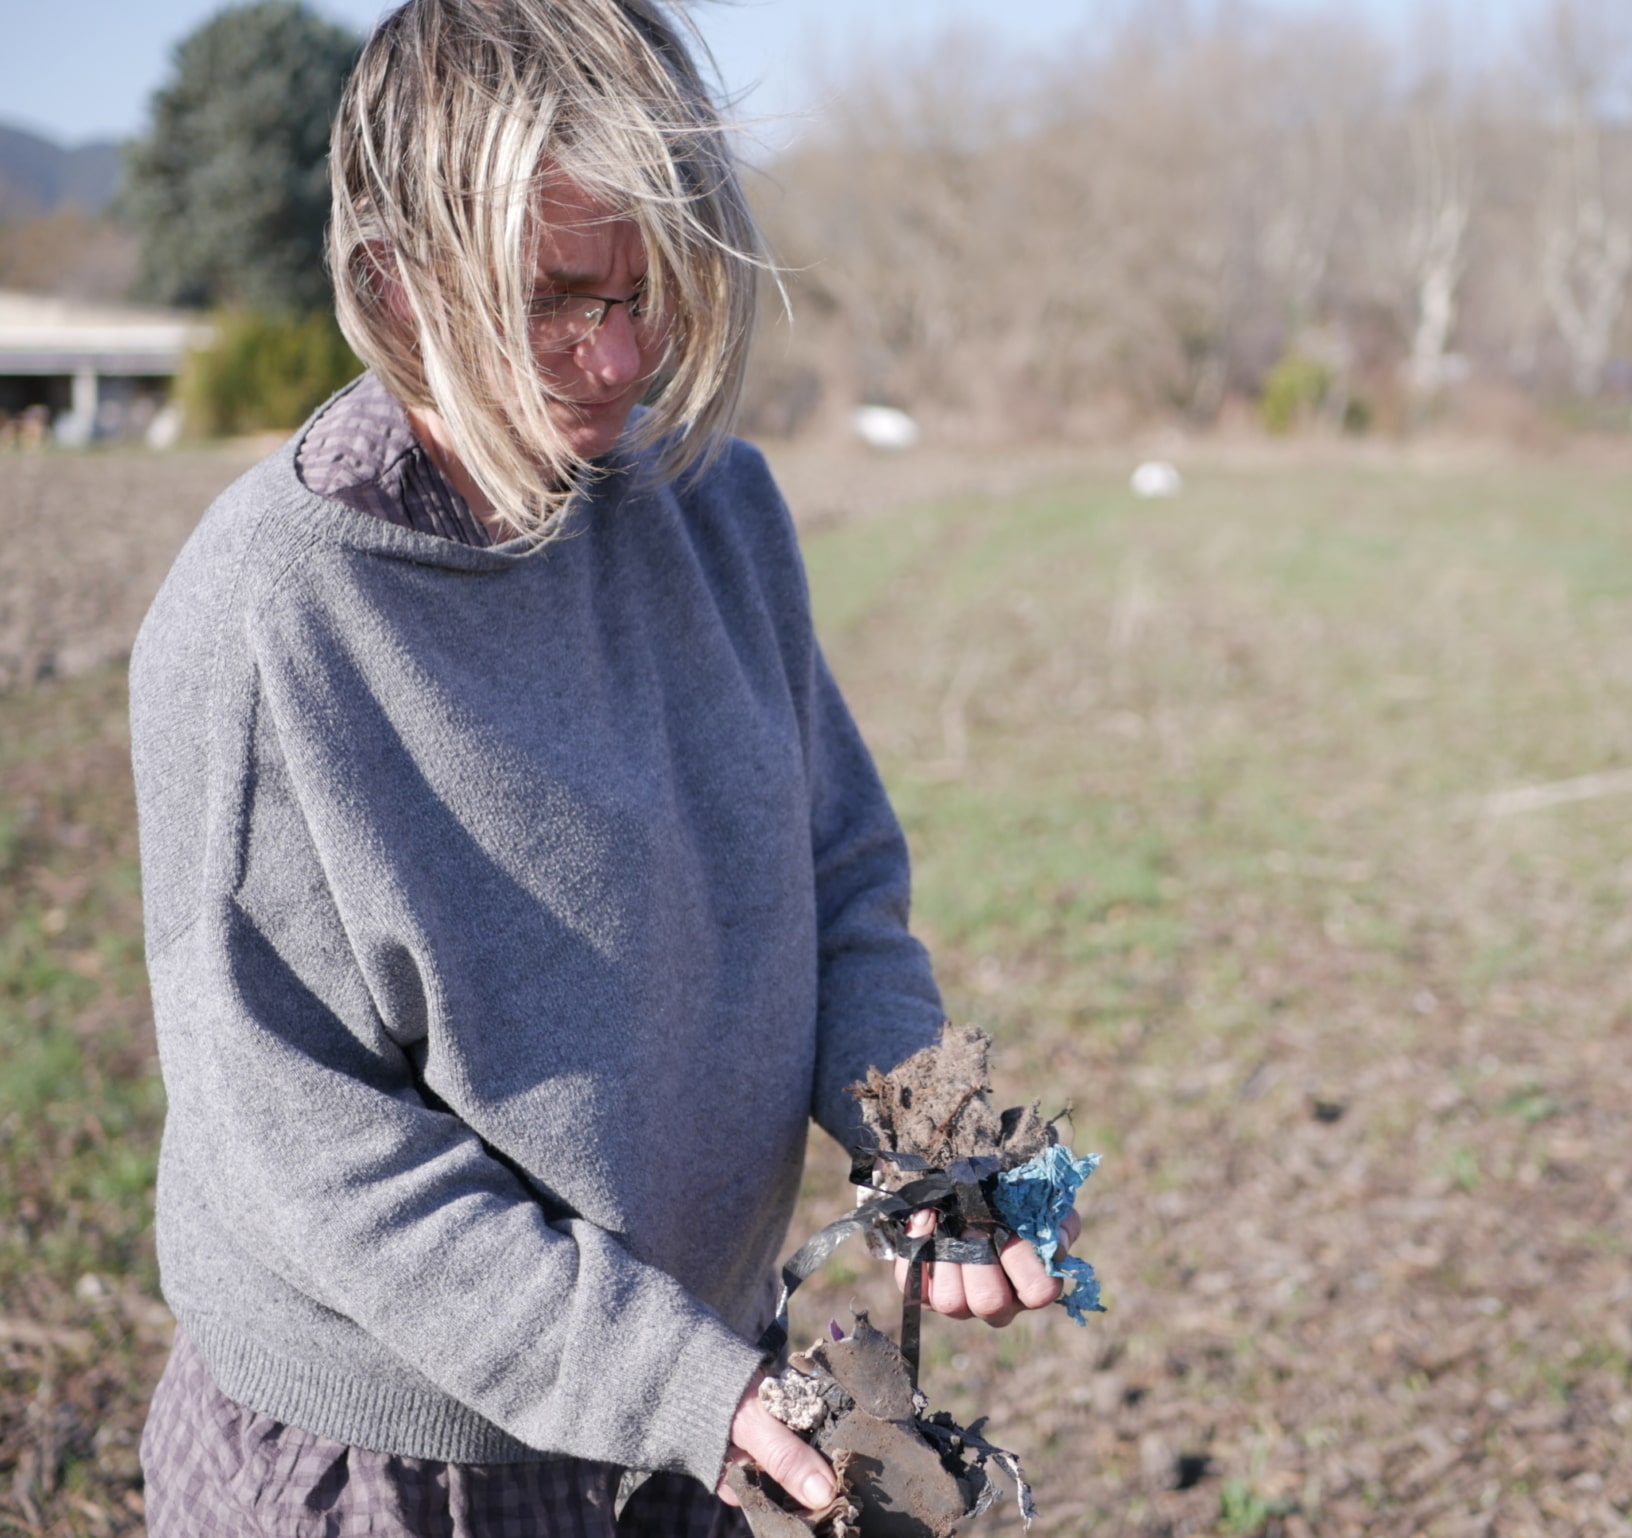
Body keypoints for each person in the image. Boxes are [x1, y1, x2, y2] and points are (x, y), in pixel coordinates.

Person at [129, 3, 1076, 1534]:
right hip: (396, 1469)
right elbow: (316, 1156)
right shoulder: (269, 617)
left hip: (687, 1415)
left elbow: (836, 889)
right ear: (396, 281)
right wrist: (678, 1383)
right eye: (558, 299)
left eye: (650, 290)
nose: (624, 358)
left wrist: (925, 1141)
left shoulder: (717, 512)